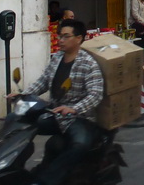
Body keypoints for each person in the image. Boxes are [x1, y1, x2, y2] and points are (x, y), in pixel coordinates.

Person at [11, 18, 104, 185]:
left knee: (80, 145)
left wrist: (74, 109)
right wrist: (23, 94)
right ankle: (11, 170)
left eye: (65, 36)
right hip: (55, 113)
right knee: (16, 122)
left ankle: (45, 181)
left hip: (79, 119)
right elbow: (44, 81)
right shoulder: (57, 58)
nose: (60, 40)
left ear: (79, 38)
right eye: (60, 36)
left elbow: (95, 94)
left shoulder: (89, 64)